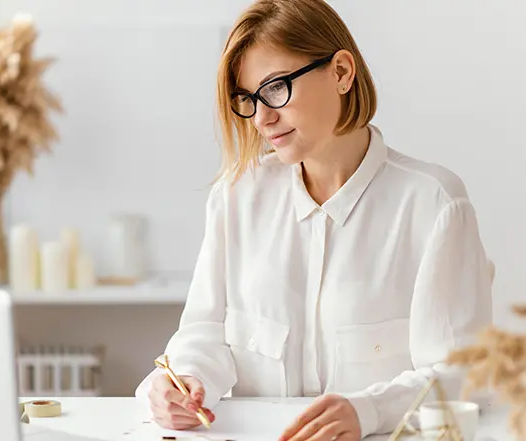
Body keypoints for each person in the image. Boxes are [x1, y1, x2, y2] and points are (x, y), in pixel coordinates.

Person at [135, 0, 493, 440]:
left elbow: (462, 376)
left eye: (276, 88)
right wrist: (183, 382)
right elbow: (205, 332)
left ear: (342, 72)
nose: (262, 118)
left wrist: (367, 412)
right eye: (248, 99)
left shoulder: (434, 204)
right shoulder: (236, 196)